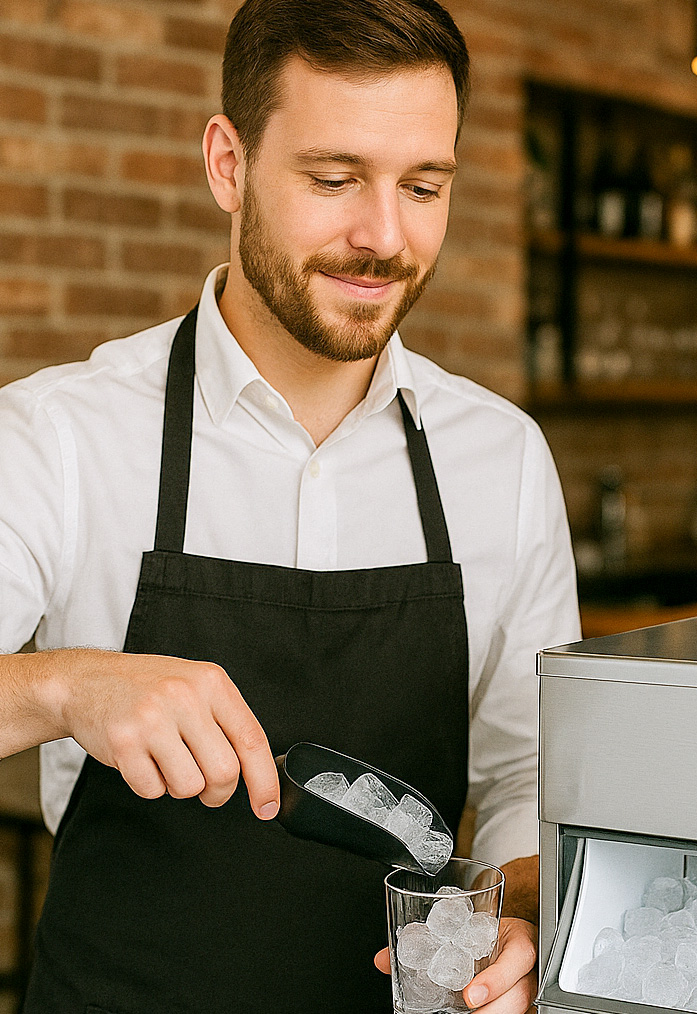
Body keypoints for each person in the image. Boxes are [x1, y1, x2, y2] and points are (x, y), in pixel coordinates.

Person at [0, 0, 580, 1010]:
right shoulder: (60, 436)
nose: (384, 237)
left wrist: (516, 918)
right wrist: (65, 689)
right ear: (229, 165)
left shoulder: (505, 460)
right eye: (333, 179)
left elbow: (535, 772)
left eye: (423, 186)